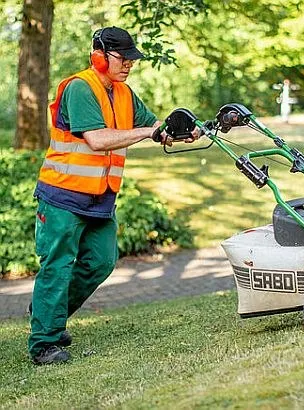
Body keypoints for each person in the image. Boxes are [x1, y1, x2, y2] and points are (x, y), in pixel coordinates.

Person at [28, 26, 197, 365]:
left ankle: (48, 311)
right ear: (99, 56)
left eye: (132, 60)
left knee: (101, 262)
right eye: (123, 59)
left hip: (100, 197)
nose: (129, 65)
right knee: (58, 267)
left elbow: (153, 128)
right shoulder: (79, 88)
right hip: (63, 196)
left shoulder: (123, 93)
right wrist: (150, 132)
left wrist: (180, 132)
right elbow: (97, 139)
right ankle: (44, 342)